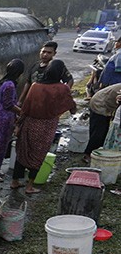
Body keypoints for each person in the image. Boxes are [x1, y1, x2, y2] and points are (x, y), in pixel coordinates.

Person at [12, 60, 77, 194]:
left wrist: (18, 125)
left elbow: (25, 108)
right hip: (47, 126)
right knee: (38, 155)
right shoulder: (63, 88)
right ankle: (29, 186)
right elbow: (72, 107)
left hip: (30, 123)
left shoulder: (35, 86)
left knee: (23, 151)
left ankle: (15, 181)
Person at [84, 83, 121, 159]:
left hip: (103, 103)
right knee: (99, 132)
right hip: (100, 104)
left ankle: (97, 152)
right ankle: (89, 154)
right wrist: (110, 114)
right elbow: (111, 101)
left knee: (103, 132)